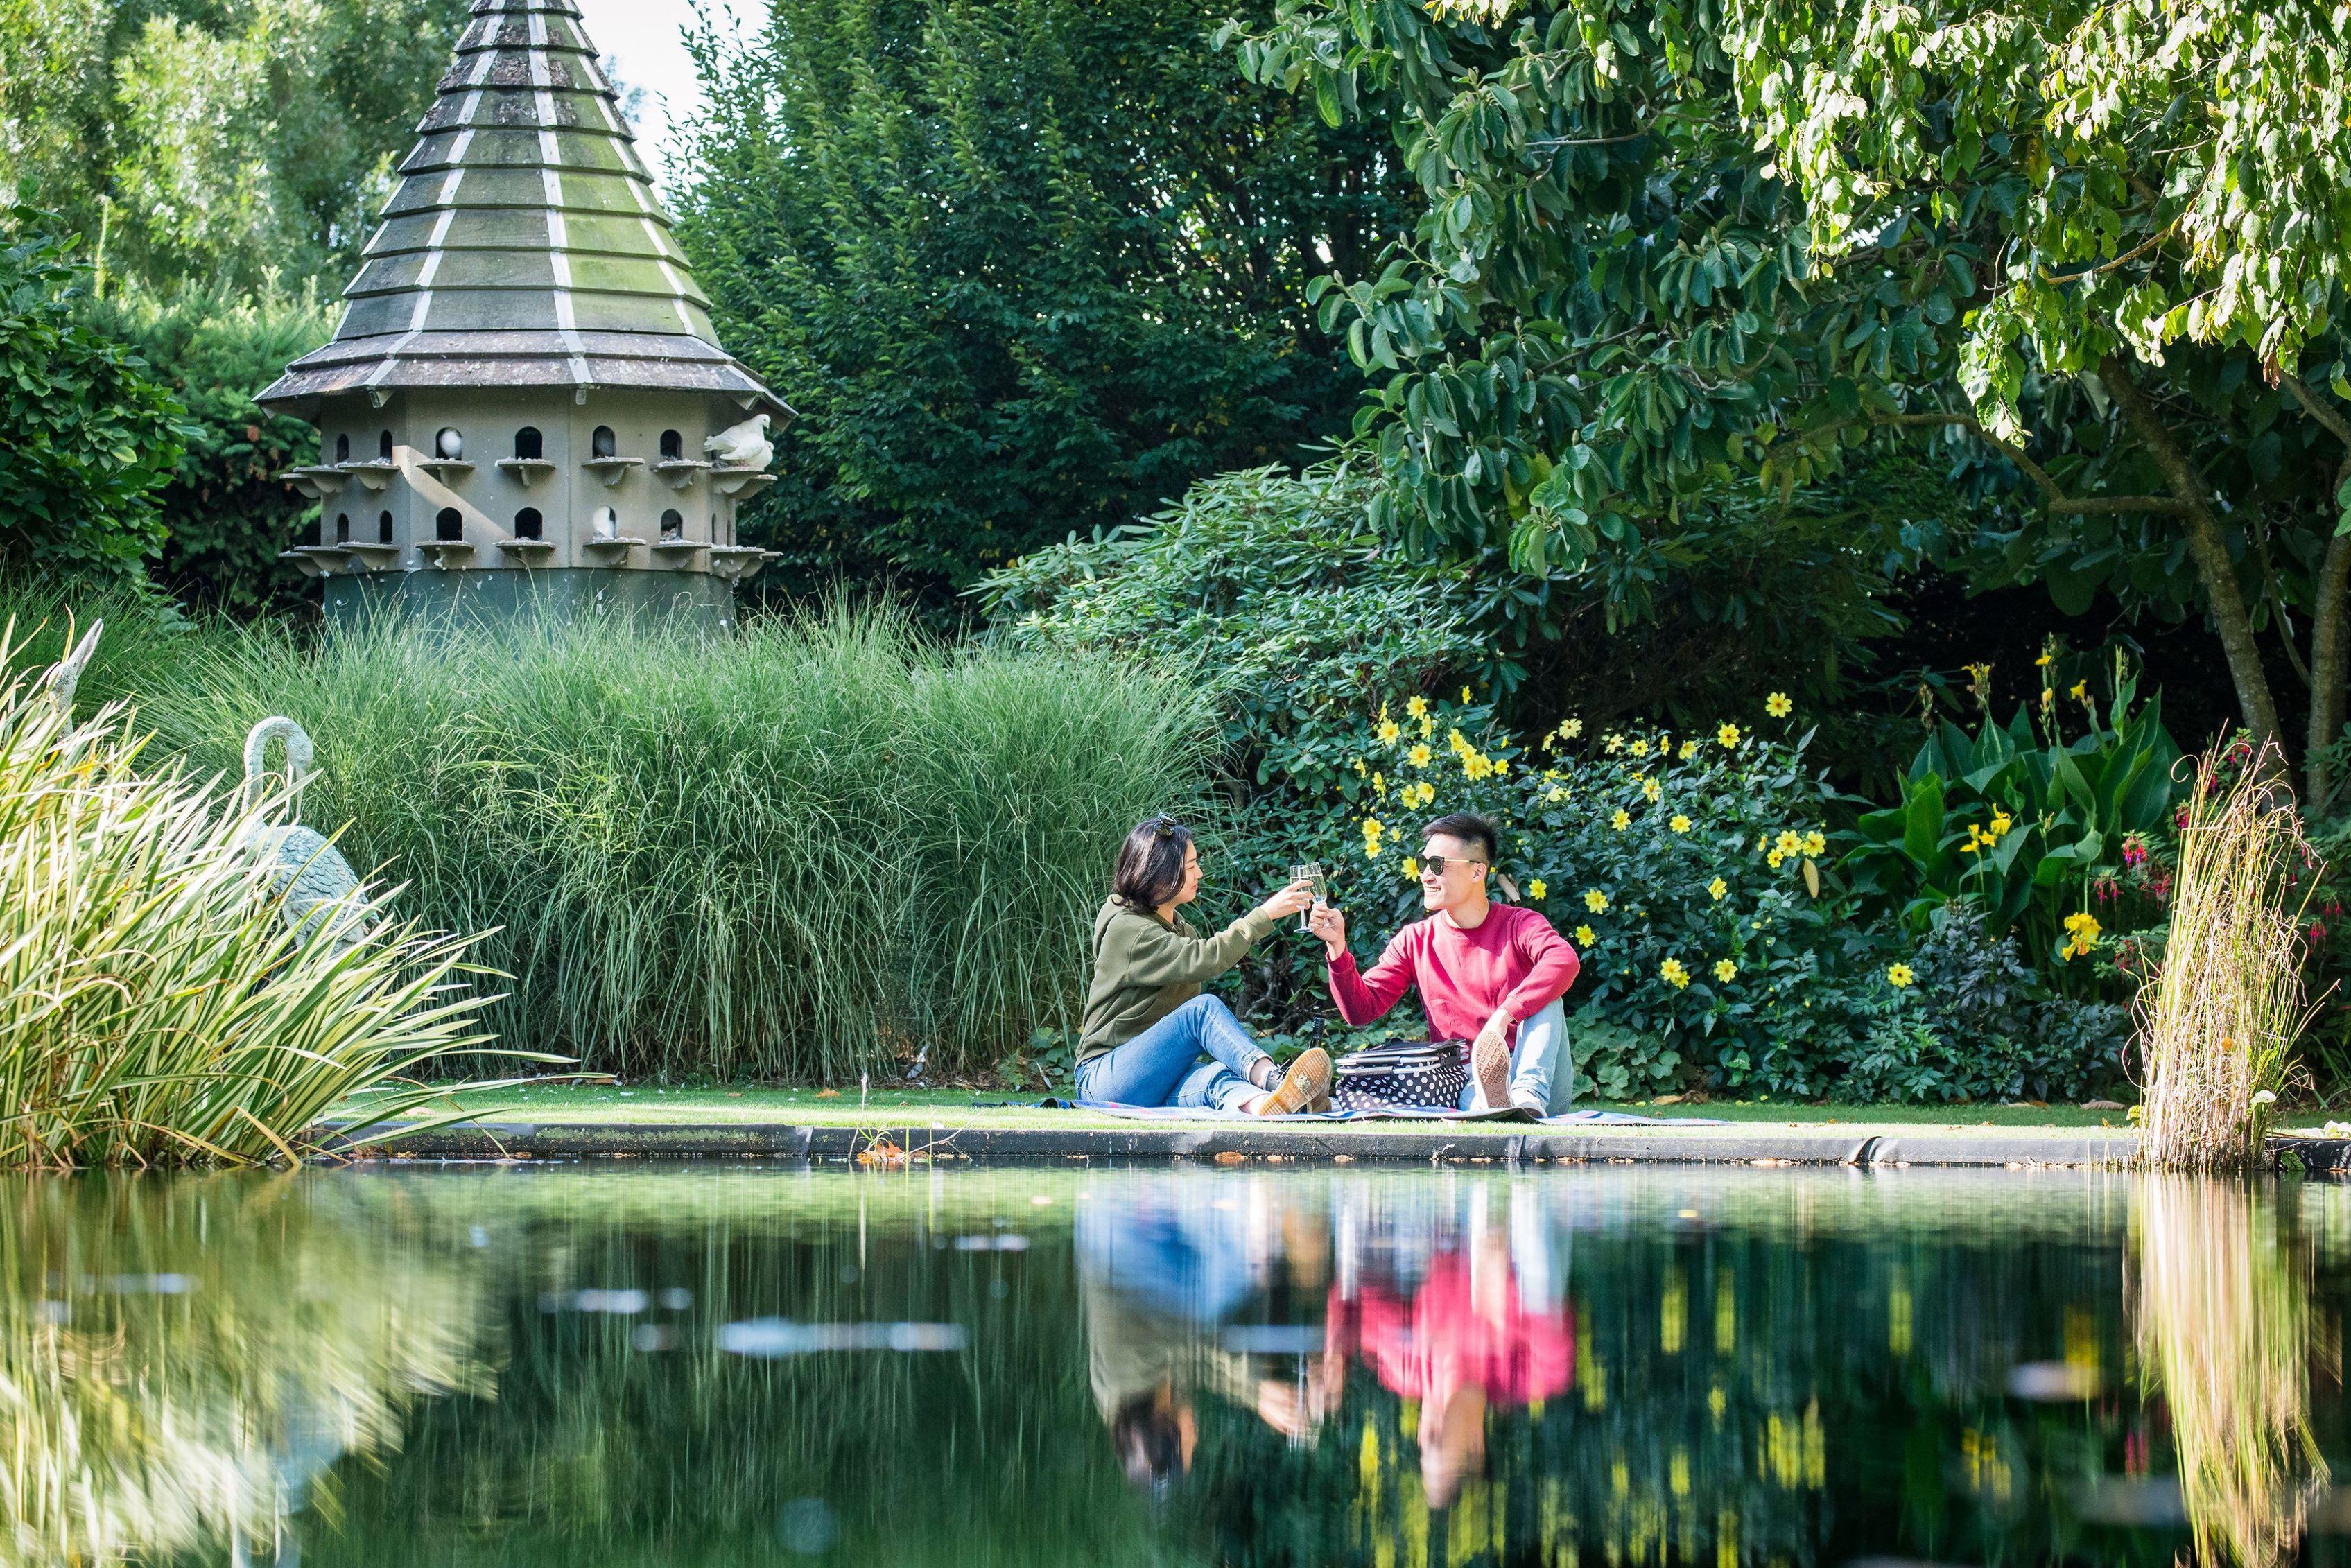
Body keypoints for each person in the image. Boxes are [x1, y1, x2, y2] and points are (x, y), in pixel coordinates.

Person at [1308, 812, 1579, 1116]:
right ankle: (1498, 1107)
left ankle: (1526, 1097)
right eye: (1424, 864)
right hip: (1468, 1080)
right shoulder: (1415, 940)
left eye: (1437, 865)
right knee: (1477, 1098)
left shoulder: (1521, 924)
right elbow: (1361, 1011)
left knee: (1549, 990)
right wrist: (1337, 947)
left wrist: (1506, 1013)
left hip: (1544, 1081)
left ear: (1478, 872)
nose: (1425, 876)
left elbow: (1564, 960)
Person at [1077, 815, 1332, 1114]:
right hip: (1103, 1079)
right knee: (1201, 1010)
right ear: (1160, 873)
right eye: (1190, 867)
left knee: (1215, 1077)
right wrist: (1264, 915)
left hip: (1151, 1079)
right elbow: (1204, 958)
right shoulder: (1127, 930)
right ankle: (1275, 1079)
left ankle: (1279, 1106)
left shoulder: (1182, 931)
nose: (1199, 873)